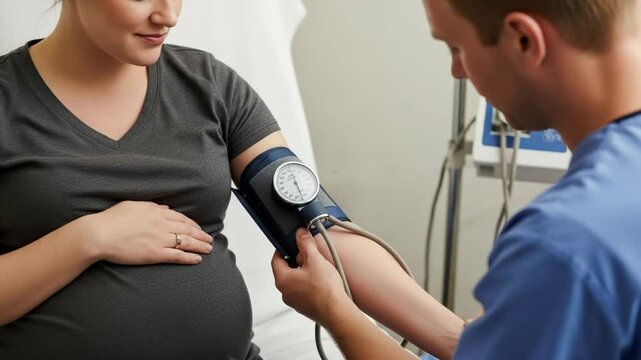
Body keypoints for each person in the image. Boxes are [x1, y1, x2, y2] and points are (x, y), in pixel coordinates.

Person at [0, 1, 454, 359]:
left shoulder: (208, 85)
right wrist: (89, 238)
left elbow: (317, 231)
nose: (169, 14)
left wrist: (460, 341)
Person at [272, 0, 641, 359]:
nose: (457, 71)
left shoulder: (561, 242)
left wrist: (335, 311)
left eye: (456, 47)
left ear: (523, 40)